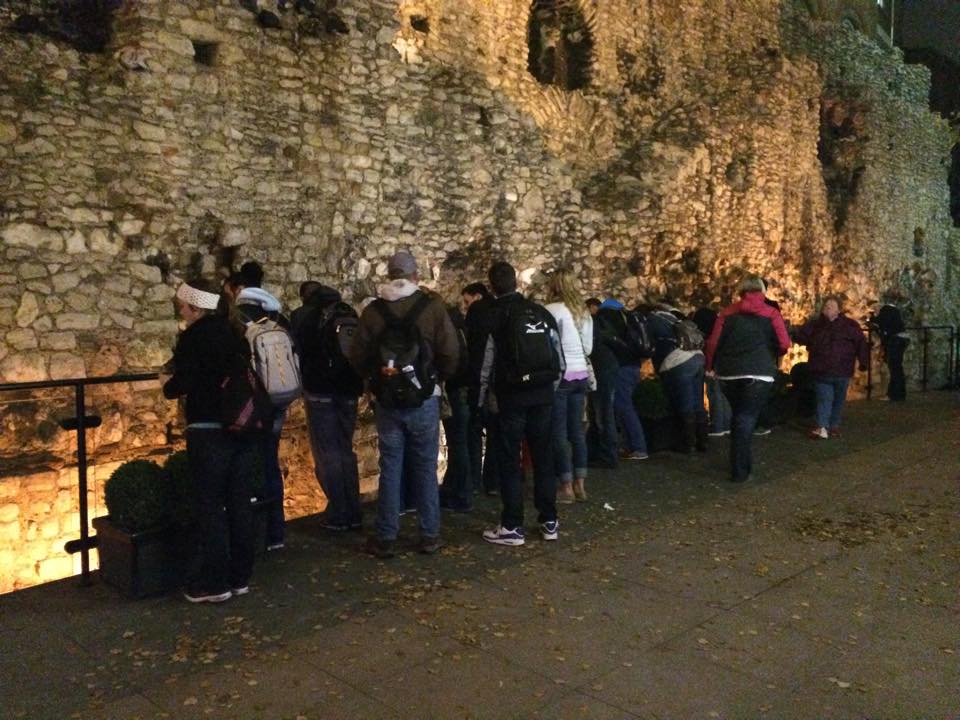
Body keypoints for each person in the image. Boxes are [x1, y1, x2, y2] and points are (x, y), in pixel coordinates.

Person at [349, 251, 459, 558]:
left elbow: (357, 355)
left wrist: (375, 380)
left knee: (390, 467)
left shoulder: (373, 311)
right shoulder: (432, 308)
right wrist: (438, 379)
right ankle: (429, 535)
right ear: (415, 276)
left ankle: (386, 535)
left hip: (388, 399)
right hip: (423, 396)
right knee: (425, 466)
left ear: (390, 276)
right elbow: (450, 350)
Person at [162, 279, 256, 603]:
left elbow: (182, 383)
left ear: (195, 307)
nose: (182, 313)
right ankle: (240, 576)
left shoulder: (195, 337)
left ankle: (215, 583)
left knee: (211, 506)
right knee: (240, 503)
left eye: (184, 308)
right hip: (241, 428)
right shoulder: (237, 333)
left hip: (208, 429)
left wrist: (166, 383)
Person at [480, 261, 561, 546]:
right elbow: (557, 358)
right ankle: (549, 520)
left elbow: (487, 365)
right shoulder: (540, 312)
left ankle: (513, 525)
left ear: (492, 286)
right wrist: (550, 389)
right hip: (542, 396)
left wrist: (485, 399)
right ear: (516, 282)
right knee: (543, 458)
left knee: (510, 461)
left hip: (511, 397)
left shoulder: (495, 316)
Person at [704, 275, 791, 483]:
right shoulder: (771, 313)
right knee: (746, 418)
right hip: (759, 372)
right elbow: (785, 344)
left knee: (739, 416)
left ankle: (741, 466)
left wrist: (710, 365)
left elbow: (713, 343)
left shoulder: (726, 313)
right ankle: (740, 470)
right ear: (762, 290)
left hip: (729, 372)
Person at [293, 283, 364, 531]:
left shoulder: (304, 316)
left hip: (320, 391)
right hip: (349, 390)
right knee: (345, 450)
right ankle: (354, 512)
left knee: (327, 453)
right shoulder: (349, 312)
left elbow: (298, 352)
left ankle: (338, 513)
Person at [233, 285, 296, 550]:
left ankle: (254, 531)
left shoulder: (242, 331)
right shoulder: (279, 327)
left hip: (256, 407)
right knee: (270, 461)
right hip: (279, 402)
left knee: (249, 465)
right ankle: (276, 532)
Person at [544, 270, 593, 503]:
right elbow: (589, 348)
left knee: (559, 433)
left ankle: (565, 486)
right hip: (581, 373)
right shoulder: (583, 311)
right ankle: (581, 484)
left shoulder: (552, 310)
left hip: (561, 376)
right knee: (577, 431)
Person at [795, 296, 868, 439]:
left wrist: (863, 362)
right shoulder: (815, 325)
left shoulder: (850, 325)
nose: (828, 307)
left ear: (839, 309)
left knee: (838, 400)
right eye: (826, 305)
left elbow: (860, 343)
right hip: (822, 370)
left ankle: (833, 425)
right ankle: (822, 426)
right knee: (824, 398)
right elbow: (801, 337)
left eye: (832, 305)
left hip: (842, 370)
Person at [646, 300, 708, 453]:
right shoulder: (675, 318)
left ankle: (688, 444)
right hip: (698, 357)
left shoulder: (652, 320)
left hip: (677, 362)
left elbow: (649, 346)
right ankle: (703, 441)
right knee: (697, 402)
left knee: (684, 403)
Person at [593, 298, 648, 461]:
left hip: (619, 367)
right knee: (625, 406)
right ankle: (631, 445)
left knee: (623, 406)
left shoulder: (605, 317)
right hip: (634, 366)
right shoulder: (627, 317)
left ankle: (638, 447)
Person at [463, 281, 500, 496]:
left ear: (477, 296)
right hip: (501, 385)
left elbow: (478, 352)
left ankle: (474, 481)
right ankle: (493, 482)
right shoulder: (500, 309)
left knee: (473, 434)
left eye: (467, 301)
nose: (466, 307)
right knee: (495, 435)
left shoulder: (478, 312)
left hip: (480, 382)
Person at [439, 303, 472, 512]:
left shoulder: (445, 327)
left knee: (457, 443)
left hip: (453, 390)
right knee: (459, 443)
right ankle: (456, 490)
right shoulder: (460, 326)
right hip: (464, 389)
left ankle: (461, 494)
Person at [692, 306, 731, 437]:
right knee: (724, 395)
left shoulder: (712, 336)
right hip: (726, 366)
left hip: (715, 367)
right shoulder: (723, 327)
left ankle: (717, 426)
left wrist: (709, 368)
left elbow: (711, 350)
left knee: (714, 394)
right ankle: (726, 425)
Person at [873, 303, 909, 401]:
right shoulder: (893, 310)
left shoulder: (885, 311)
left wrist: (875, 324)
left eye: (875, 310)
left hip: (896, 340)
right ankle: (899, 394)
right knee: (897, 369)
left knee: (894, 369)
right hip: (902, 339)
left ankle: (894, 395)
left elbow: (884, 328)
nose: (875, 312)